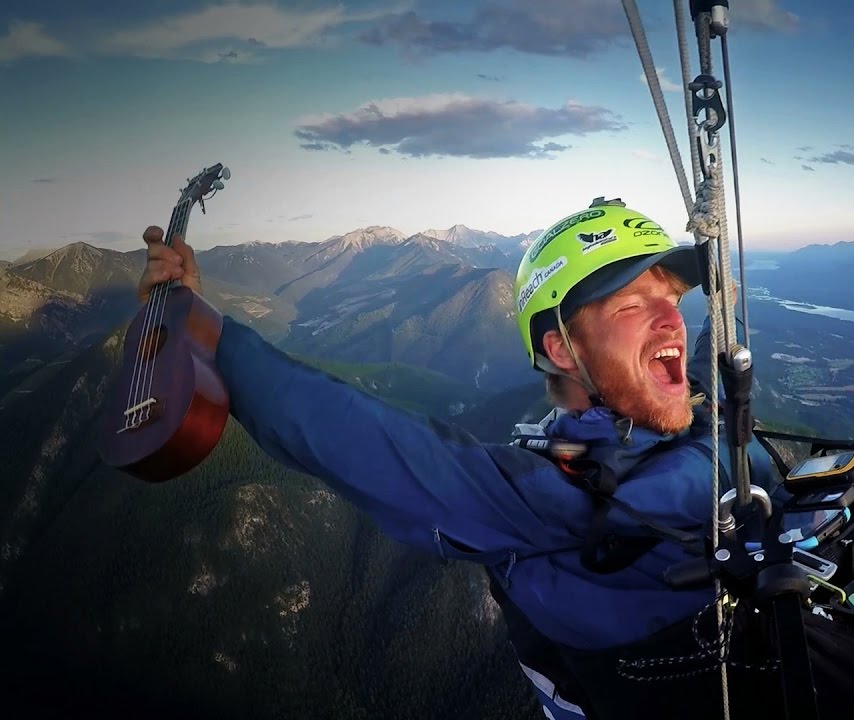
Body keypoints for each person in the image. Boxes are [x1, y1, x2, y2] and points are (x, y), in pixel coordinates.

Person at [135, 196, 783, 719]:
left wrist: (722, 298)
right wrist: (207, 334)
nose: (670, 320)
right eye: (632, 306)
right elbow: (359, 439)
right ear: (562, 351)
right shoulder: (547, 497)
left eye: (671, 299)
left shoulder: (690, 412)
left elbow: (717, 373)